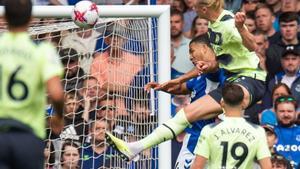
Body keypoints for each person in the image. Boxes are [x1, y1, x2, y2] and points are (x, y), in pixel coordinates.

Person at [106, 0, 266, 161]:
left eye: (195, 7)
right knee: (184, 115)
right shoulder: (213, 27)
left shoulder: (228, 23)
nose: (191, 9)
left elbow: (253, 46)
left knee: (230, 115)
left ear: (203, 8)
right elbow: (218, 61)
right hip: (232, 83)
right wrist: (177, 80)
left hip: (249, 79)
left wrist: (240, 28)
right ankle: (134, 148)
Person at [0, 0, 64, 169]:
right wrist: (58, 118)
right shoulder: (42, 51)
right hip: (28, 137)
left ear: (4, 17)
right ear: (32, 19)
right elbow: (56, 93)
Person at [190, 84, 272, 169]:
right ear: (244, 103)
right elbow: (267, 167)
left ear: (222, 102)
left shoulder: (209, 130)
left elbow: (197, 166)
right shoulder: (258, 131)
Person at [273, 95, 300, 168]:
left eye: (289, 111)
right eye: (282, 111)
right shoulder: (268, 132)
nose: (286, 114)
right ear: (275, 112)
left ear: (296, 112)